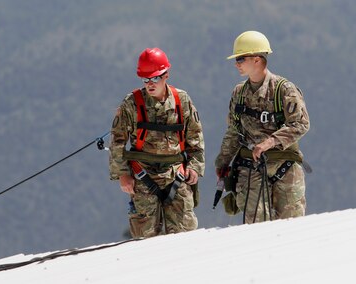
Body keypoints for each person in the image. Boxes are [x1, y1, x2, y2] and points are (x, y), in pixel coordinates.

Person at [215, 31, 310, 224]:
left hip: (285, 168)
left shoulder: (284, 90)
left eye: (241, 58)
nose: (236, 63)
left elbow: (301, 123)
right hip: (250, 170)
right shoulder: (239, 93)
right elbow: (234, 130)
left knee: (292, 228)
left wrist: (270, 142)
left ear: (257, 59)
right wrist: (223, 163)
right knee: (256, 231)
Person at [109, 47, 205, 238]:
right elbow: (118, 141)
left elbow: (194, 136)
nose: (150, 84)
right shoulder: (132, 103)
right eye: (145, 79)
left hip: (176, 175)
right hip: (143, 176)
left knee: (185, 235)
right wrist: (122, 174)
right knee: (145, 239)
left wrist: (194, 167)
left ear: (166, 75)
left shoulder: (181, 100)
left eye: (155, 78)